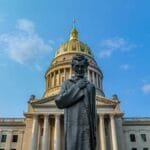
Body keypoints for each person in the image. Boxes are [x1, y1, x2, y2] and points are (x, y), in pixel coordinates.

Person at [55, 54, 97, 150]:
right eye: (77, 66)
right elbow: (59, 102)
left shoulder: (91, 87)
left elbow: (93, 111)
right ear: (73, 67)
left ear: (86, 68)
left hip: (87, 127)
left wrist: (94, 130)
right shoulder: (67, 84)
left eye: (82, 66)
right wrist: (77, 87)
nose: (79, 69)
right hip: (72, 126)